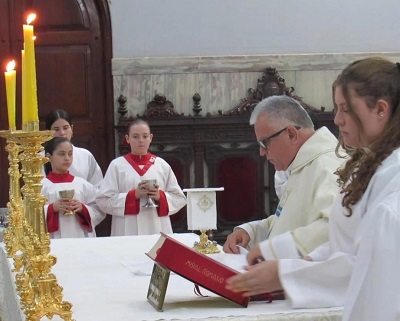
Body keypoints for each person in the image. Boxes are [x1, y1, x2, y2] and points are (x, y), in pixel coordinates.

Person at [226, 57, 400, 321]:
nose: (337, 119)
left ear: (380, 109)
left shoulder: (388, 185)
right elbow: (345, 243)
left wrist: (285, 273)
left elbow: (369, 270)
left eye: (345, 109)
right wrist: (294, 264)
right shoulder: (369, 165)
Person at [223, 95, 345, 260]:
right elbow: (290, 220)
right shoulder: (305, 163)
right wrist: (250, 232)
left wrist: (273, 251)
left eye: (264, 143)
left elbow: (334, 228)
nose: (261, 152)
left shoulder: (328, 166)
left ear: (291, 135)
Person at [96, 119, 187, 236]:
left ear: (151, 138)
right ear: (127, 139)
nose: (141, 141)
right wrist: (133, 196)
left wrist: (161, 197)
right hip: (127, 229)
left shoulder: (161, 165)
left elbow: (179, 198)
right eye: (135, 136)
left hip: (157, 227)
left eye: (145, 136)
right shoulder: (117, 165)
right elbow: (103, 200)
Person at [41, 137, 105, 238]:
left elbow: (99, 209)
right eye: (62, 154)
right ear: (49, 157)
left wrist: (83, 209)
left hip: (80, 237)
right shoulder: (41, 187)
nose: (67, 158)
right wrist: (51, 208)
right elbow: (29, 215)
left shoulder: (83, 185)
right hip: (52, 240)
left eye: (70, 154)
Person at [44, 109, 103, 187]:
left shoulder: (85, 155)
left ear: (71, 128)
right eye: (56, 129)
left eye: (65, 128)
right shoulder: (40, 159)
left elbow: (98, 186)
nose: (62, 133)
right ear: (48, 132)